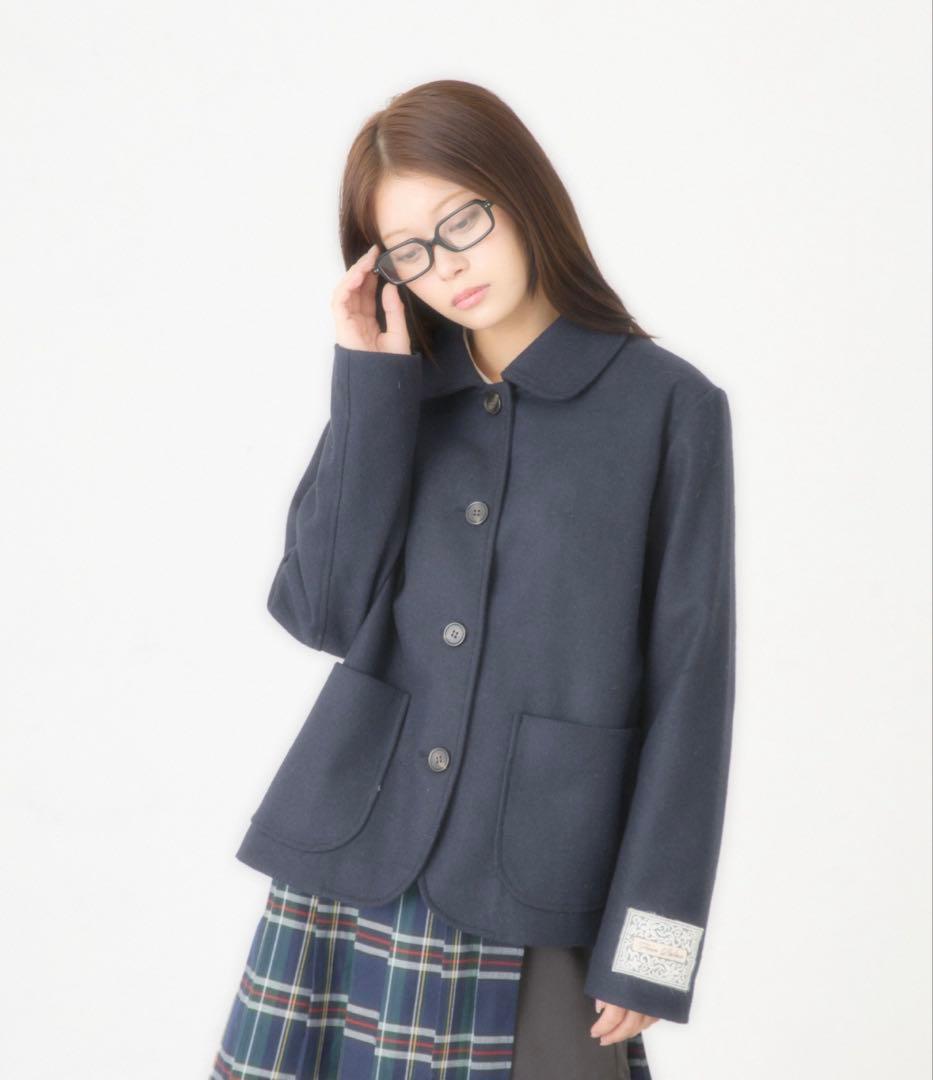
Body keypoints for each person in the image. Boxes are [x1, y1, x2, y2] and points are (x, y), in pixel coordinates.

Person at [212, 77, 735, 1080]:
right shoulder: (400, 394)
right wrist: (369, 383)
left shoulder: (666, 408)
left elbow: (691, 688)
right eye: (408, 249)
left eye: (461, 222)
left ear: (522, 193)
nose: (445, 266)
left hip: (541, 874)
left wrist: (653, 950)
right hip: (352, 865)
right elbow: (319, 611)